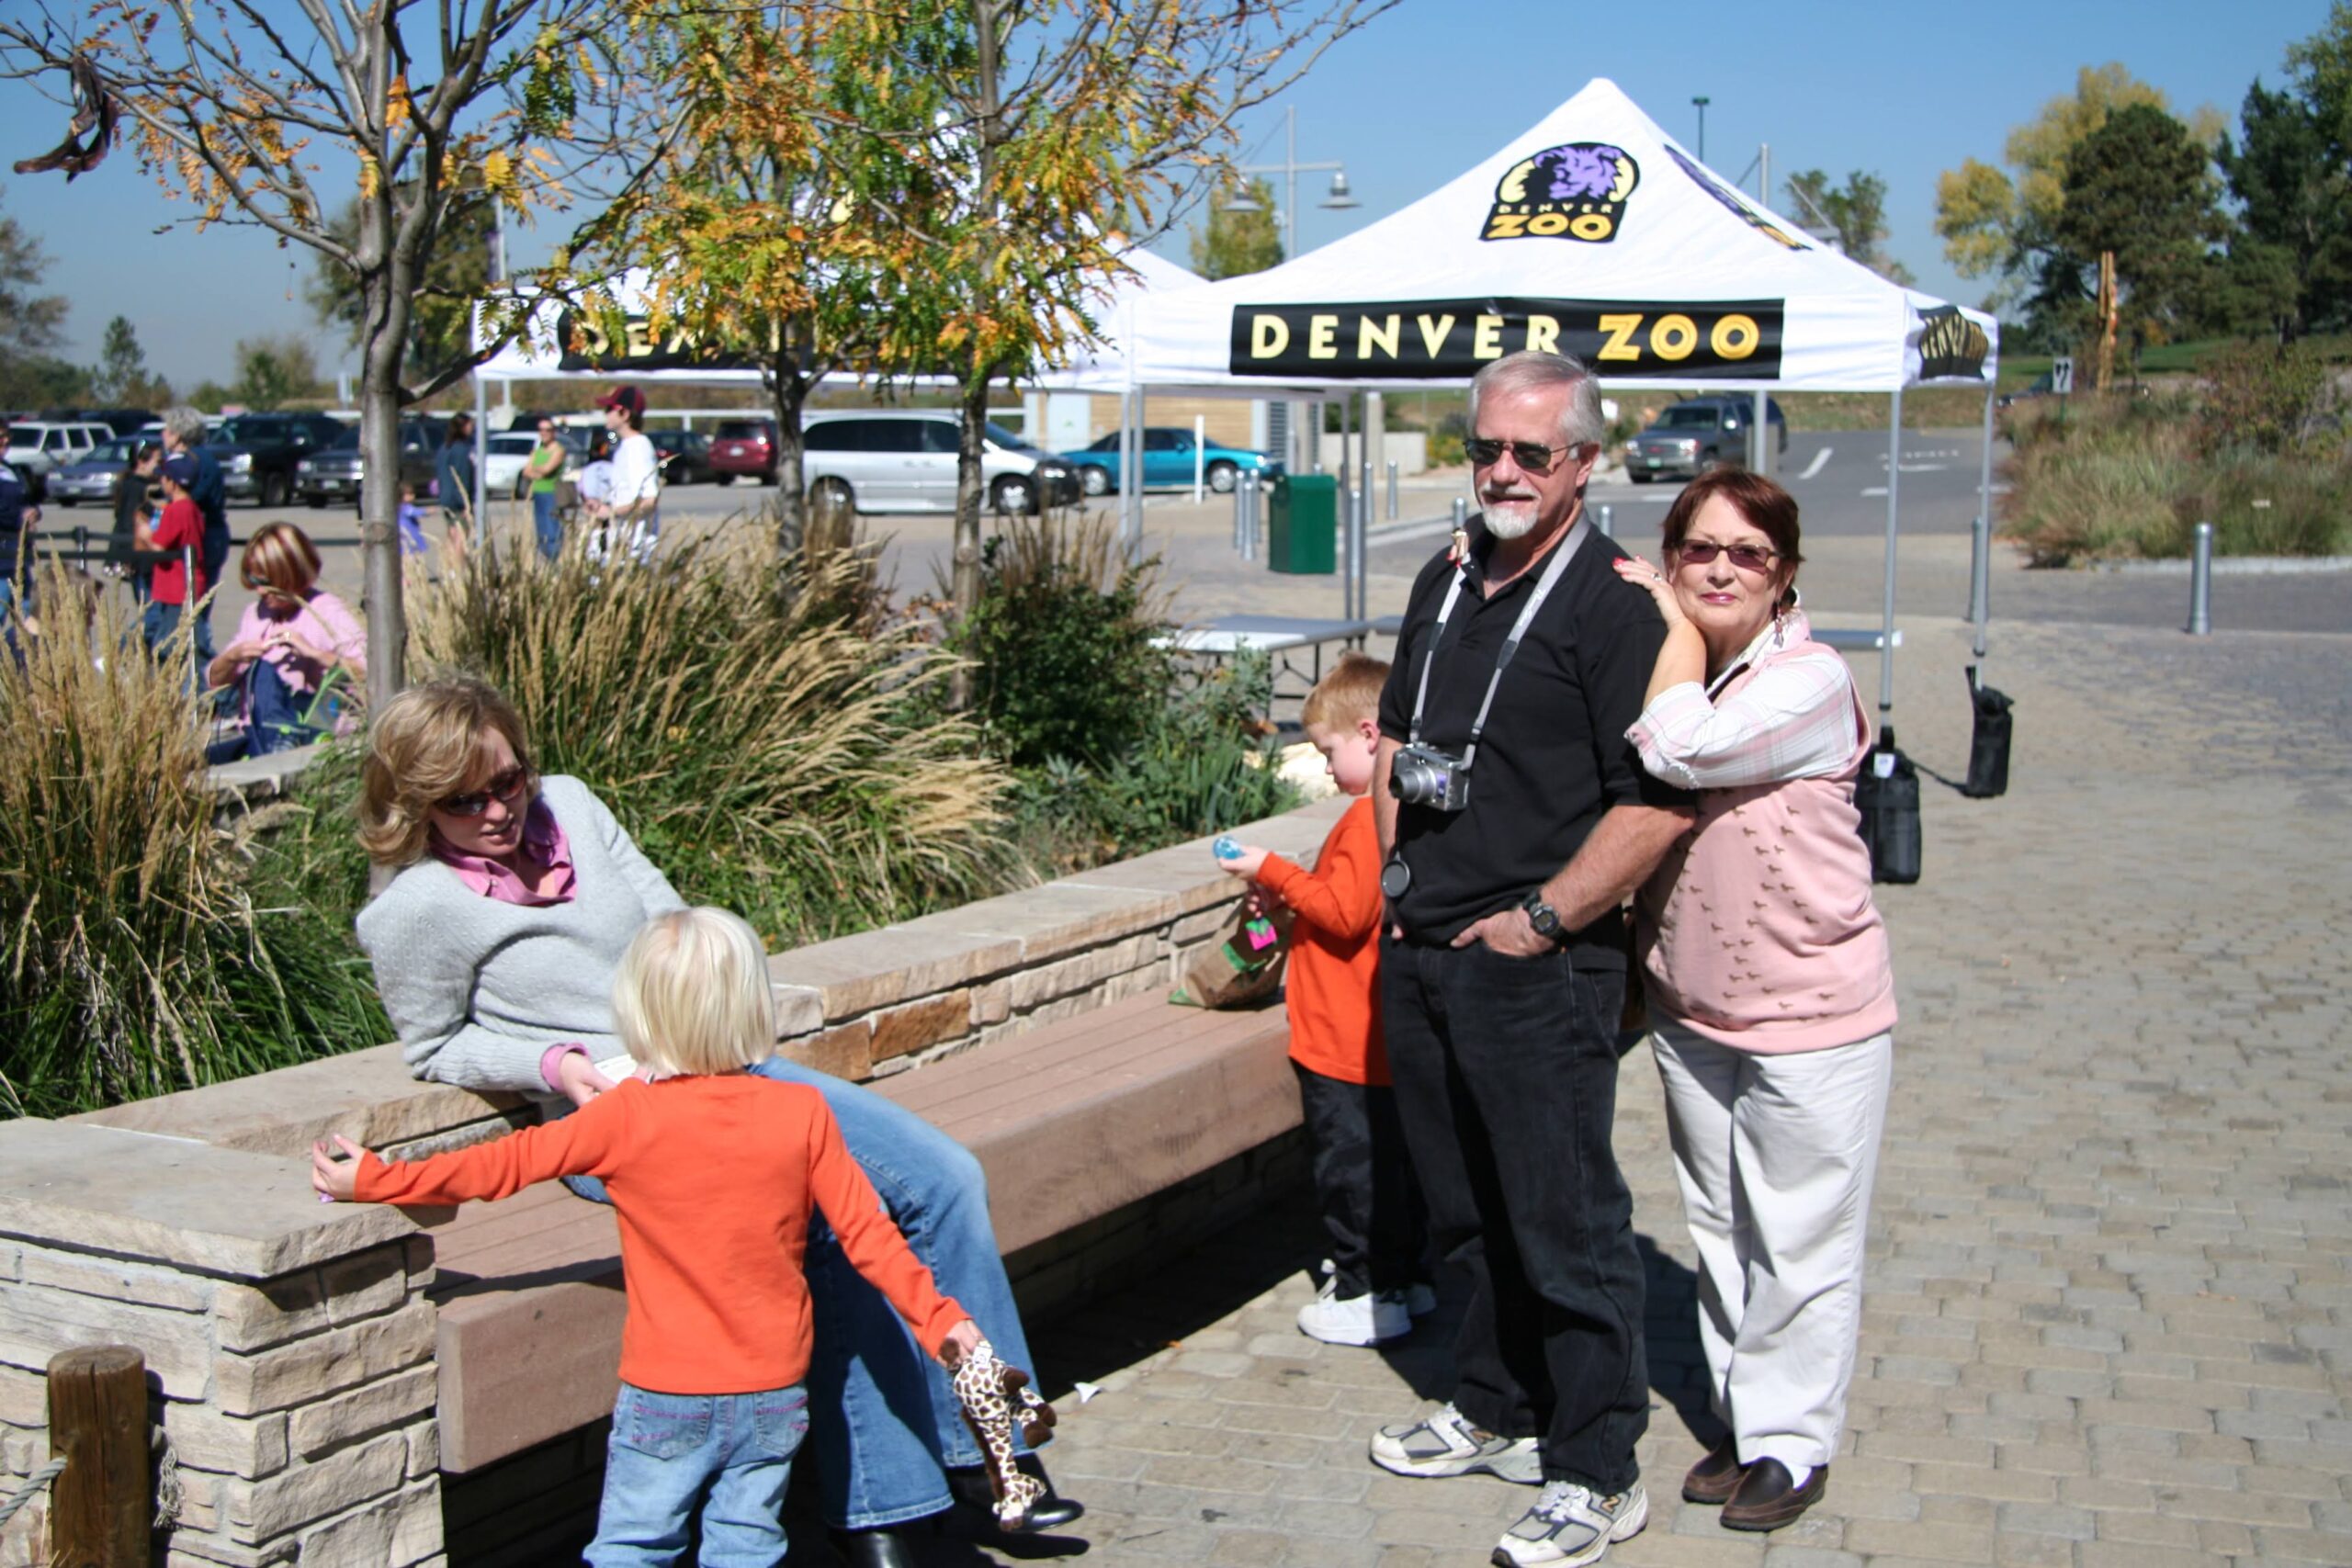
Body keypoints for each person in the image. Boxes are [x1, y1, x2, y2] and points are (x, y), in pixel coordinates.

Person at [352, 679, 1082, 1568]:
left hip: (723, 1061)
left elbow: (673, 919)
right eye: (463, 800)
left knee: (945, 1177)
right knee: (819, 1231)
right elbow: (437, 1047)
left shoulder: (572, 805)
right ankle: (885, 1515)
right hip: (617, 1113)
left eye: (507, 781)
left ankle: (984, 1453)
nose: (498, 810)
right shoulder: (413, 910)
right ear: (414, 803)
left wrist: (720, 1024)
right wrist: (555, 1064)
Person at [314, 904, 987, 1567]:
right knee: (747, 1545)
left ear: (637, 1012)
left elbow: (495, 1168)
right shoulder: (801, 1110)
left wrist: (374, 1178)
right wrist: (941, 1320)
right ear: (753, 1006)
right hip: (773, 1392)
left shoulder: (622, 1116)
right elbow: (869, 1233)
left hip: (667, 1390)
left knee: (635, 1545)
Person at [1369, 350, 1695, 1568]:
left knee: (1564, 1220)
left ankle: (1596, 1464)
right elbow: (1399, 736)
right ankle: (1494, 1400)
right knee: (1462, 1209)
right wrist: (1405, 882)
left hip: (1536, 962)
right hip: (1426, 944)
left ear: (1583, 463)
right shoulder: (1446, 576)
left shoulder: (1617, 604)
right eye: (1485, 447)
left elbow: (1656, 803)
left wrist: (1543, 919)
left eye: (1531, 452)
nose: (1503, 470)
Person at [1611, 470, 1894, 1533]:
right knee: (1722, 1228)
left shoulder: (1807, 680)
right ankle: (1746, 1418)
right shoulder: (1693, 666)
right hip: (1693, 1009)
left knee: (1802, 1238)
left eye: (1748, 554)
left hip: (1813, 1015)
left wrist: (1668, 620)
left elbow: (1677, 747)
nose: (1721, 569)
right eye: (1698, 549)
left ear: (1786, 578)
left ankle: (1793, 1441)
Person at [1215, 652, 1432, 1347]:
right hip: (1369, 1038)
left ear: (1371, 734)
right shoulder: (1387, 812)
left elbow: (1344, 912)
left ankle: (1367, 1289)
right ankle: (1407, 1278)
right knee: (1395, 1169)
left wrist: (1269, 867)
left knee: (1351, 1169)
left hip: (1346, 1043)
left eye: (1328, 751)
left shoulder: (1371, 819)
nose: (1326, 767)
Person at [205, 522, 366, 761]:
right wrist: (232, 657)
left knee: (265, 673)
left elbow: (368, 672)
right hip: (256, 733)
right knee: (206, 759)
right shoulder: (255, 613)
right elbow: (213, 681)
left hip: (314, 732)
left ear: (292, 575)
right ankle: (278, 738)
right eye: (255, 581)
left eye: (267, 582)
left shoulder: (328, 611)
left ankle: (284, 735)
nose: (260, 591)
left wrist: (315, 655)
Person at [159, 408, 227, 661]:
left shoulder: (193, 460)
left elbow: (191, 499)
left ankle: (203, 670)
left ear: (179, 434)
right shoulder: (202, 458)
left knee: (194, 609)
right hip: (213, 533)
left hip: (204, 535)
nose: (163, 435)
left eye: (167, 430)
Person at [141, 453, 209, 658]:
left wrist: (146, 535)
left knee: (167, 643)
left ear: (173, 483)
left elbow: (159, 547)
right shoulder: (192, 508)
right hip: (185, 584)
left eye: (164, 477)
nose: (161, 481)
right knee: (182, 636)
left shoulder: (176, 510)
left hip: (177, 587)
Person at [598, 386, 662, 563]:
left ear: (624, 414)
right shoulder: (625, 446)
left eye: (609, 409)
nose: (606, 414)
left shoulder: (638, 447)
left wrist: (611, 513)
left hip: (634, 550)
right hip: (621, 546)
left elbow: (649, 500)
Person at [105, 442, 164, 603]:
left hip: (145, 554)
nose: (160, 466)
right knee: (150, 609)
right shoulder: (135, 487)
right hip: (140, 557)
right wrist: (129, 556)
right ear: (142, 462)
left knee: (150, 608)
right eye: (157, 461)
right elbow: (127, 522)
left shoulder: (148, 486)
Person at [0, 455, 38, 646]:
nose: (4, 441)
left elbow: (28, 498)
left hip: (19, 551)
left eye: (7, 436)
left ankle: (28, 661)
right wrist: (18, 517)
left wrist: (34, 512)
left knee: (27, 612)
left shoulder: (11, 469)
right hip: (3, 556)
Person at [524, 417, 570, 561]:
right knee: (541, 531)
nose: (544, 433)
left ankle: (555, 562)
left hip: (552, 493)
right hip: (538, 493)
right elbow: (526, 471)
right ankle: (547, 562)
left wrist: (537, 471)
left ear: (553, 432)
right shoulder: (537, 451)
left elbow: (547, 469)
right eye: (541, 430)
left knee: (552, 531)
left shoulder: (558, 450)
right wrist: (537, 471)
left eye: (547, 430)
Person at [435, 412, 476, 558]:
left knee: (452, 534)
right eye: (470, 424)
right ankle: (458, 569)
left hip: (445, 497)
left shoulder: (444, 448)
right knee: (461, 536)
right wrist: (466, 503)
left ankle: (451, 569)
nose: (472, 427)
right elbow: (463, 477)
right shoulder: (462, 450)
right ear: (463, 427)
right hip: (458, 500)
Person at [396, 482, 430, 558]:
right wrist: (428, 511)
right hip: (408, 535)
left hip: (408, 535)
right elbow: (414, 512)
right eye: (409, 494)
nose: (413, 496)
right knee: (410, 555)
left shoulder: (401, 507)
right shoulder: (404, 507)